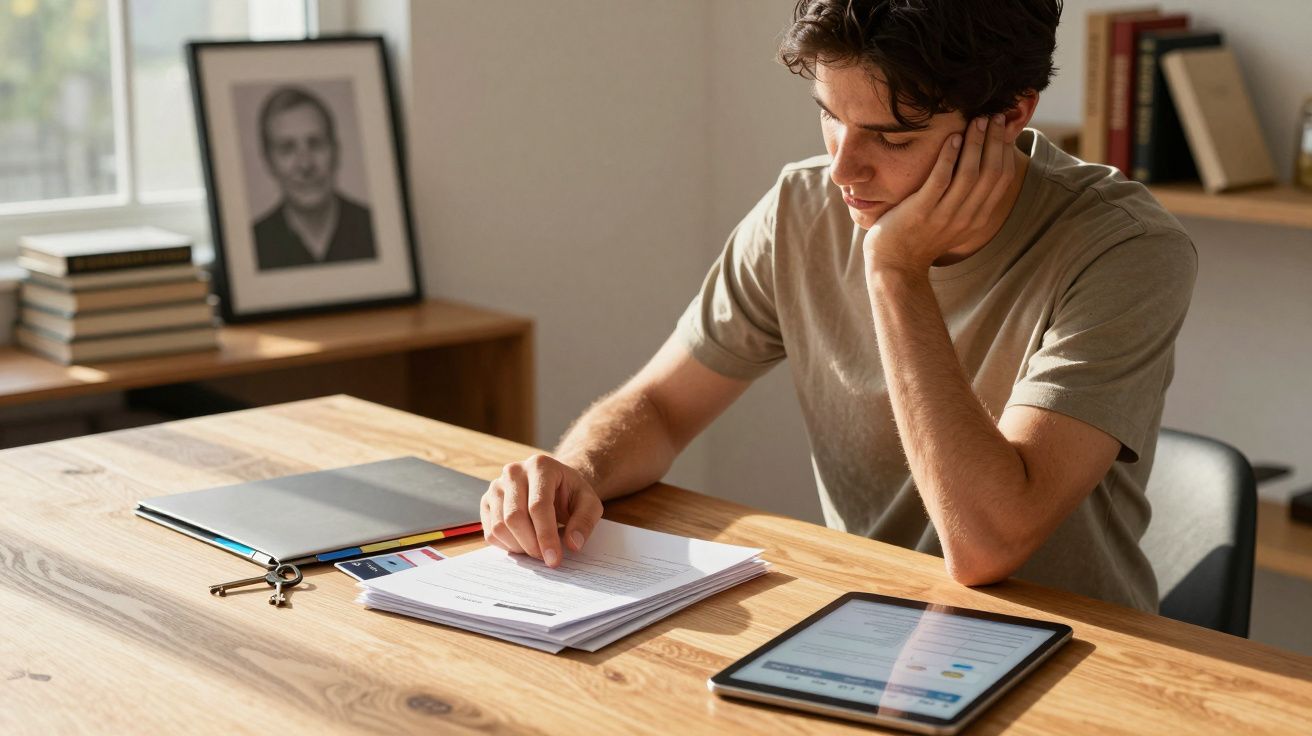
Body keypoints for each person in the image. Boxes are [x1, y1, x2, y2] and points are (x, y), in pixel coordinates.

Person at [480, 0, 1197, 612]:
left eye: (893, 137)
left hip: (1076, 655)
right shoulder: (802, 207)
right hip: (870, 621)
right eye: (830, 116)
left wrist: (894, 271)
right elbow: (662, 409)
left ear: (1009, 114)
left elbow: (987, 543)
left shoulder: (1125, 250)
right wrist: (575, 472)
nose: (844, 169)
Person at [251, 86, 376, 271]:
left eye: (315, 143)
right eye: (287, 148)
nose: (305, 165)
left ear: (336, 151)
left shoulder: (375, 229)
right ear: (269, 161)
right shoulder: (253, 244)